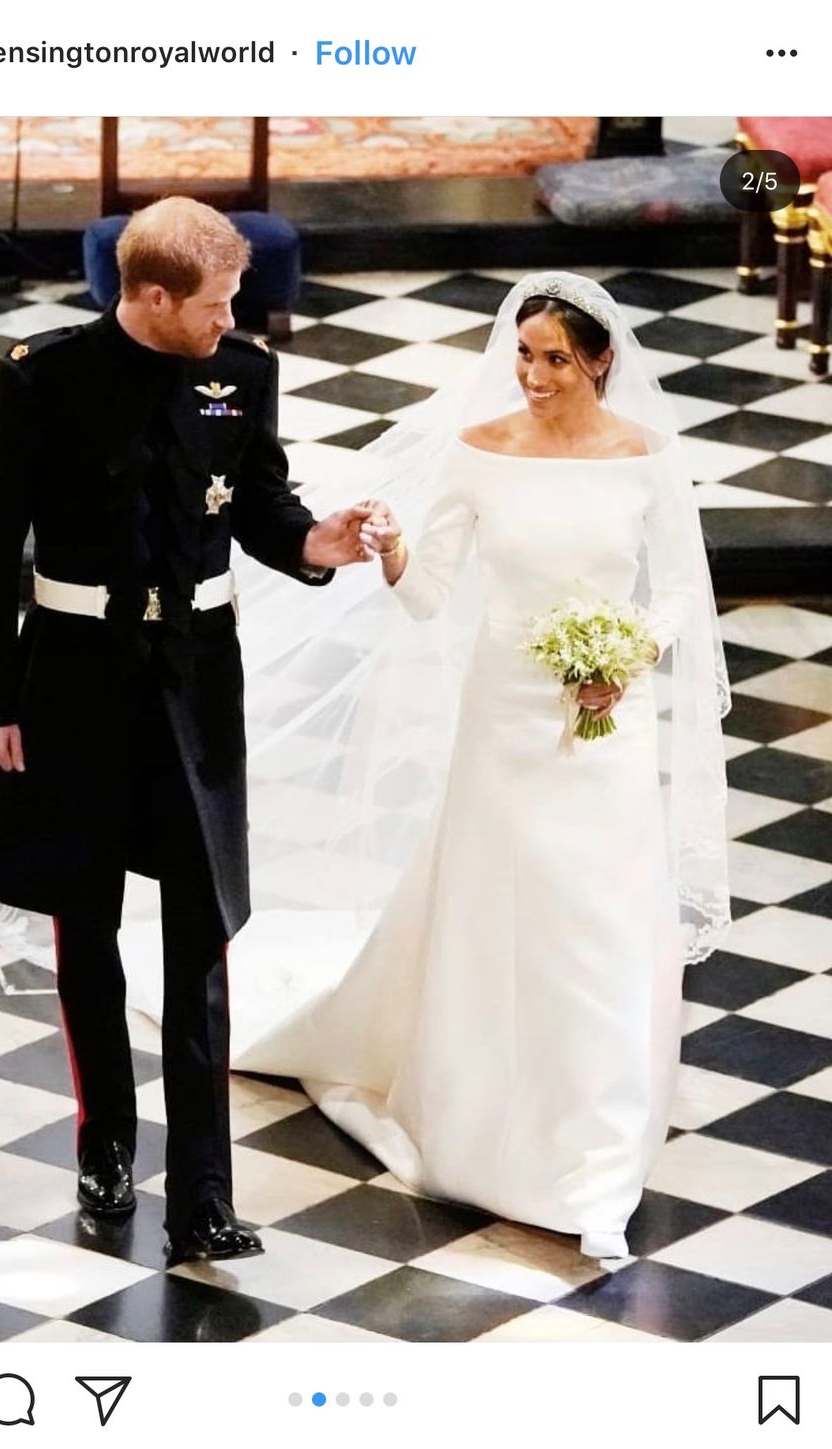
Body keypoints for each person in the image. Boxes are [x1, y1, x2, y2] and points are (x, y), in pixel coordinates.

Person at [224, 272, 731, 1261]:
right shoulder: (479, 450)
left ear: (600, 361)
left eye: (555, 359)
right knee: (503, 909)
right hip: (503, 715)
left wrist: (627, 655)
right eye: (524, 355)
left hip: (607, 713)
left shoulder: (646, 458)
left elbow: (677, 590)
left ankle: (593, 1150)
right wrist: (393, 551)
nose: (532, 376)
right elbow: (429, 595)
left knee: (598, 917)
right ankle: (488, 1110)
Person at [0, 196, 373, 1265]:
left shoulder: (243, 372)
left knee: (202, 935)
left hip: (196, 680)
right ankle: (105, 1147)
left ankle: (205, 1196)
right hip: (72, 678)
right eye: (215, 304)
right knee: (85, 923)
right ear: (149, 295)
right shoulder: (41, 377)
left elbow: (260, 500)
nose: (232, 321)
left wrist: (313, 544)